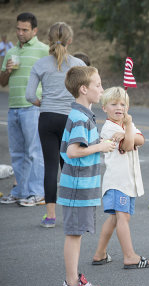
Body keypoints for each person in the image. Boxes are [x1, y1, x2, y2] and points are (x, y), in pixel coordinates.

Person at [57, 66, 116, 286]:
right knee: (74, 234)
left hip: (82, 187)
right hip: (77, 188)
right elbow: (72, 151)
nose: (101, 89)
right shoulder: (80, 117)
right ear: (84, 89)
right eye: (98, 85)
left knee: (76, 233)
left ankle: (72, 280)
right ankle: (71, 285)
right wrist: (101, 147)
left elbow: (81, 147)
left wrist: (103, 142)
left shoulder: (84, 115)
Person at [25, 22, 86, 227]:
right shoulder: (79, 64)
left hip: (47, 118)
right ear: (70, 41)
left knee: (51, 167)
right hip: (71, 118)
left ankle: (50, 217)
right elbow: (87, 93)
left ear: (48, 40)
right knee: (70, 166)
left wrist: (42, 103)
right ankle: (74, 214)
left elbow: (29, 95)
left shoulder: (40, 64)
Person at [92, 87, 149, 269]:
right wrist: (128, 133)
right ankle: (130, 256)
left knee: (114, 219)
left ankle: (100, 254)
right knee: (123, 217)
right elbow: (127, 146)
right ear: (104, 108)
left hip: (126, 182)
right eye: (114, 104)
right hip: (118, 182)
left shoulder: (125, 126)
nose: (119, 107)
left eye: (123, 104)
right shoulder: (109, 128)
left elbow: (140, 140)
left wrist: (127, 130)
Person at [0, 12, 48, 206]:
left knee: (34, 152)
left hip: (33, 108)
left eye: (24, 30)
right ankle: (20, 191)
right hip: (14, 108)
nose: (20, 33)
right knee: (17, 153)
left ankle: (37, 193)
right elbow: (2, 82)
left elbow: (54, 74)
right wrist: (7, 71)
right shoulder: (11, 53)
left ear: (34, 30)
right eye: (18, 29)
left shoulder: (43, 50)